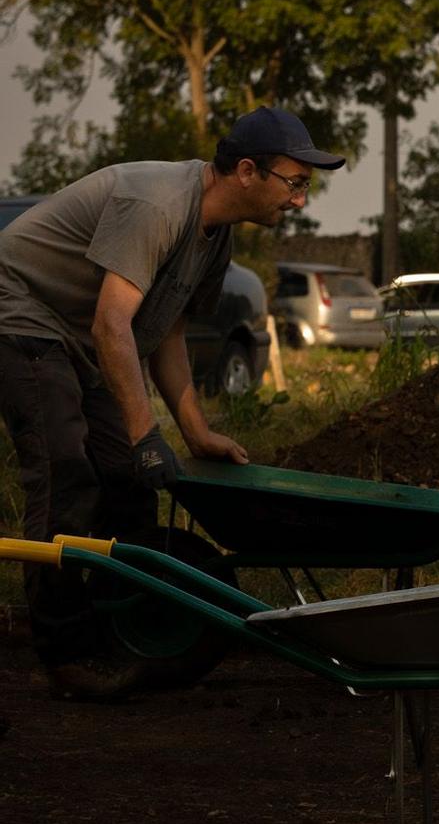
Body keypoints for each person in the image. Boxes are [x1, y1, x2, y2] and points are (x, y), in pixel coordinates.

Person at [0, 106, 342, 673]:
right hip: (19, 311)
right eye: (296, 183)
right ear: (248, 171)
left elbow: (165, 330)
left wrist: (193, 431)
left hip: (74, 332)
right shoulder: (158, 203)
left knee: (130, 482)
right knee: (66, 473)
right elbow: (112, 324)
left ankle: (125, 623)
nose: (300, 200)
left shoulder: (215, 237)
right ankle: (67, 654)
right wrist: (145, 433)